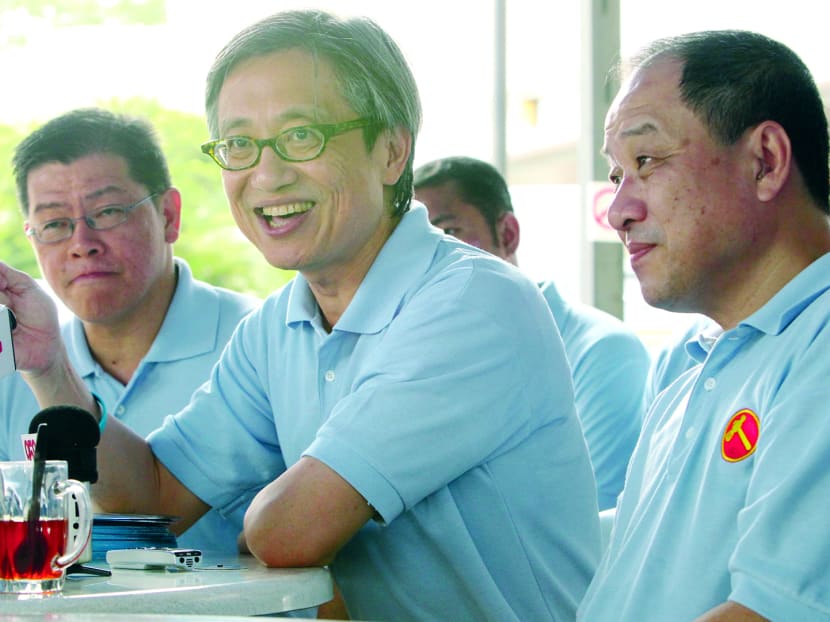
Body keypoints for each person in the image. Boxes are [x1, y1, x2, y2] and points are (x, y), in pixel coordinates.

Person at [0, 10, 600, 622]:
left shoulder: (474, 301)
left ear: (392, 150)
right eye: (239, 144)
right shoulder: (278, 324)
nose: (266, 173)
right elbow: (151, 494)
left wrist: (261, 520)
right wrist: (52, 371)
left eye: (301, 136)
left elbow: (289, 536)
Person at [578, 30, 830, 621]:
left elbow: (769, 612)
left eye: (646, 161)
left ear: (765, 161)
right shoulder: (689, 359)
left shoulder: (819, 346)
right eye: (616, 175)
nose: (619, 210)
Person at [0, 107, 260, 554]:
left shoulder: (259, 341)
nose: (82, 243)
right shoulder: (18, 364)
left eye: (108, 211)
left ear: (168, 214)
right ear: (32, 240)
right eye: (56, 224)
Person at [414, 156, 651, 511]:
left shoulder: (602, 352)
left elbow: (594, 519)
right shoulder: (428, 360)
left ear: (508, 234)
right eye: (414, 243)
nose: (427, 258)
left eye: (448, 232)